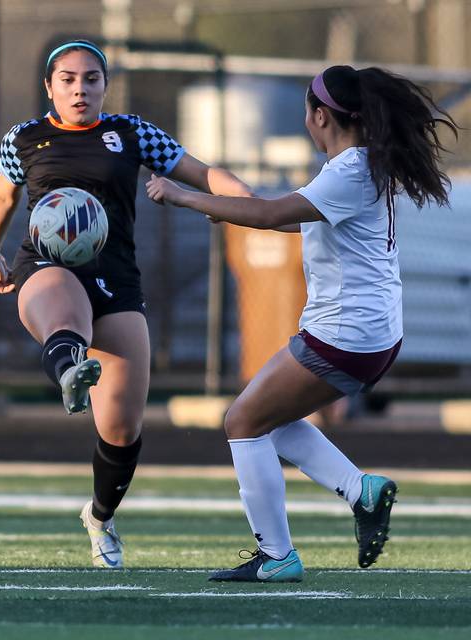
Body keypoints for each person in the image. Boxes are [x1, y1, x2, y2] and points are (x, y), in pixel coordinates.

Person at [147, 65, 458, 582]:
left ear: (321, 116)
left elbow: (271, 217)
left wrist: (186, 196)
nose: (306, 125)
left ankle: (278, 555)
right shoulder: (360, 166)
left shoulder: (348, 171)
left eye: (307, 116)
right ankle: (362, 492)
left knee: (241, 422)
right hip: (370, 334)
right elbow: (291, 217)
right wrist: (230, 206)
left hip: (345, 335)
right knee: (269, 419)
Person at [0, 39, 251, 568]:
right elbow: (2, 193)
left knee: (123, 430)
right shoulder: (26, 138)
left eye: (91, 79)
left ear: (105, 85)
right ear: (49, 87)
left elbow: (202, 174)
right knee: (64, 317)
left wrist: (254, 202)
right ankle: (70, 370)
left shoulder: (131, 133)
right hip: (45, 264)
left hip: (116, 282)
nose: (80, 89)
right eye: (68, 79)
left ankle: (100, 516)